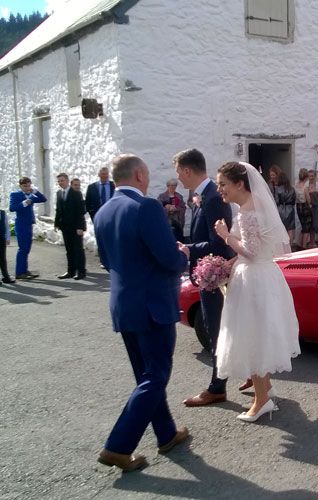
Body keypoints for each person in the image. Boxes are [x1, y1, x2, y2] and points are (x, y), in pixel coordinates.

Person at [94, 154, 190, 472]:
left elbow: (107, 261)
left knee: (146, 375)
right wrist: (182, 255)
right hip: (153, 305)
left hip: (124, 304)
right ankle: (118, 446)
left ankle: (166, 434)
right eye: (147, 175)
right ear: (138, 175)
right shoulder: (146, 206)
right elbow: (166, 257)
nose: (148, 180)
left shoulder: (104, 210)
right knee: (156, 375)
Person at [213, 162, 300, 422]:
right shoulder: (250, 206)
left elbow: (250, 251)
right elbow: (260, 250)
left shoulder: (248, 211)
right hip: (263, 275)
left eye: (223, 184)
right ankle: (266, 388)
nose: (220, 190)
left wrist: (225, 236)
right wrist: (226, 265)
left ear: (239, 183)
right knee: (260, 333)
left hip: (254, 279)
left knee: (253, 336)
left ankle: (262, 401)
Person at [174, 148, 234, 407]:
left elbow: (218, 244)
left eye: (179, 173)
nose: (178, 179)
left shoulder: (211, 198)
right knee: (219, 328)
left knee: (216, 330)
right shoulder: (205, 195)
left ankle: (217, 387)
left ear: (188, 170)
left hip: (212, 273)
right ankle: (252, 376)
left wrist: (189, 249)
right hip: (207, 270)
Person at [9, 177, 46, 279]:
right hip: (21, 225)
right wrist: (25, 203)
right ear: (20, 186)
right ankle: (19, 273)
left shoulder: (31, 194)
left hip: (29, 224)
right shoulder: (15, 194)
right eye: (25, 186)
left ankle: (24, 270)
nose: (27, 188)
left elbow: (43, 199)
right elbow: (12, 208)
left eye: (29, 185)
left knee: (27, 248)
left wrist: (35, 191)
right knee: (22, 248)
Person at [54, 173, 87, 280]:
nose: (60, 183)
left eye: (62, 181)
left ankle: (81, 272)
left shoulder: (76, 193)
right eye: (59, 181)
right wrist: (56, 223)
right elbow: (58, 210)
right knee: (69, 250)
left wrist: (80, 227)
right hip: (65, 227)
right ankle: (70, 271)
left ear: (68, 181)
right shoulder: (59, 193)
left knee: (78, 249)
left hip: (76, 227)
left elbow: (80, 212)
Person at [269, 165, 296, 244]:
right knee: (290, 229)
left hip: (280, 209)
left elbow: (276, 201)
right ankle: (289, 245)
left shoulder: (277, 189)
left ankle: (282, 246)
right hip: (290, 209)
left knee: (281, 228)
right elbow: (294, 200)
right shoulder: (291, 188)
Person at [295, 168, 312, 250]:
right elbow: (307, 196)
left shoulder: (296, 183)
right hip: (305, 206)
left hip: (298, 206)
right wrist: (310, 204)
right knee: (307, 227)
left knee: (303, 226)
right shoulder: (306, 184)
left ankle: (299, 243)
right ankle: (304, 245)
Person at [304, 170, 318, 248]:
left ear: (315, 176)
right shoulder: (306, 186)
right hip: (309, 207)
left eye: (312, 176)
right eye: (310, 176)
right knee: (309, 225)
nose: (311, 177)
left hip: (317, 207)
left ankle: (313, 241)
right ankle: (309, 242)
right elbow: (308, 199)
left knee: (314, 225)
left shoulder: (317, 185)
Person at [0, 201, 13, 284]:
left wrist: (7, 238)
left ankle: (6, 277)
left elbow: (7, 227)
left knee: (2, 259)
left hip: (1, 238)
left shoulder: (2, 213)